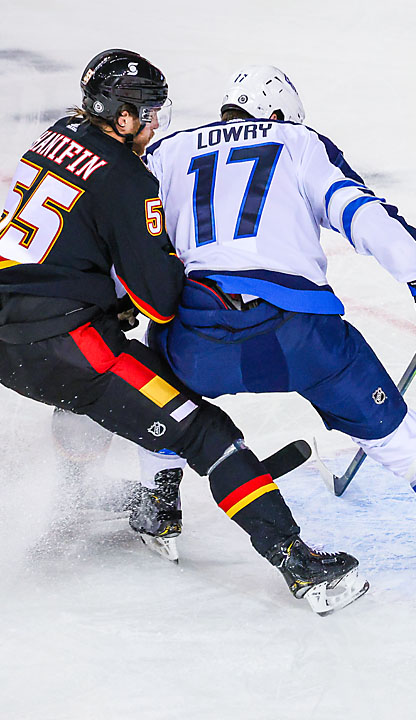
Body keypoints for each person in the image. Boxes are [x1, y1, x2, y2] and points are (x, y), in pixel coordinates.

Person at [142, 66, 416, 593]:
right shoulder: (297, 141)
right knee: (405, 442)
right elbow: (360, 213)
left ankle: (158, 503)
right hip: (301, 337)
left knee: (157, 391)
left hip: (199, 340)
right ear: (278, 115)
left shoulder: (167, 151)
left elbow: (127, 241)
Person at [0, 50, 365, 615]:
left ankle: (80, 502)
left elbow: (63, 246)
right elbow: (161, 299)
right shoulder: (128, 177)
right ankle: (300, 566)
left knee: (76, 396)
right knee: (206, 434)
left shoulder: (56, 136)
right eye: (148, 112)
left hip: (13, 335)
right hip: (67, 345)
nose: (155, 123)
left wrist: (106, 300)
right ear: (122, 116)